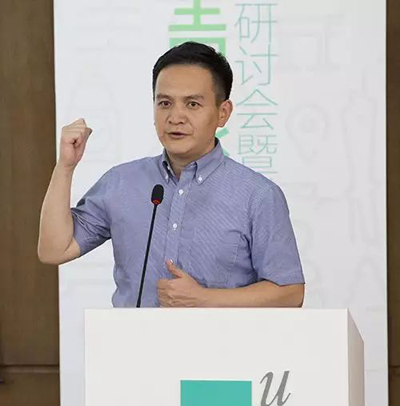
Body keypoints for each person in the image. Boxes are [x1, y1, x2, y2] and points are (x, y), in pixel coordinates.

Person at [37, 41, 305, 308]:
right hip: (132, 336)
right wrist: (65, 167)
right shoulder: (121, 182)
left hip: (220, 337)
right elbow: (54, 250)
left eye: (192, 104)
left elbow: (291, 293)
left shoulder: (257, 195)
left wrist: (204, 299)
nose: (176, 117)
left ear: (222, 113)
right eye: (164, 103)